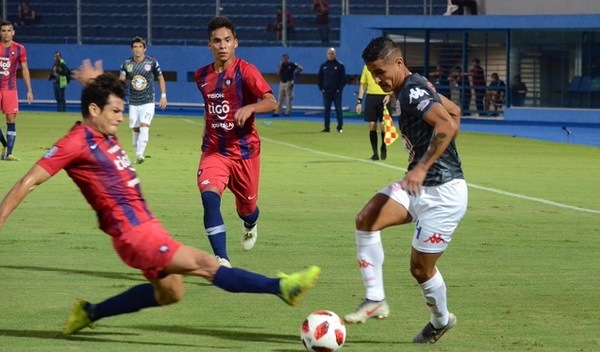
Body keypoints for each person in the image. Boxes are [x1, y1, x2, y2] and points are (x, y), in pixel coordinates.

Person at [0, 59, 321, 336]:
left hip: (147, 227)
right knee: (206, 265)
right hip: (133, 235)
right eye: (114, 111)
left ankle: (89, 313)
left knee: (170, 293)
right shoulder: (76, 142)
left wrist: (94, 83)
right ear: (94, 110)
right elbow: (28, 181)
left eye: (121, 111)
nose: (120, 118)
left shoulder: (101, 131)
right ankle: (282, 288)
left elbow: (100, 104)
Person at [344, 37, 468, 345]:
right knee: (367, 219)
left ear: (398, 63)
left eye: (380, 72)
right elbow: (454, 113)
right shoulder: (414, 85)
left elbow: (446, 125)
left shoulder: (412, 90)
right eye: (372, 74)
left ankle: (440, 321)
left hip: (444, 194)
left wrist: (423, 166)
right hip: (417, 186)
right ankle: (375, 298)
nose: (377, 79)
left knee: (420, 270)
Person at [194, 16, 277, 267]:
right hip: (214, 151)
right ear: (209, 45)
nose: (222, 45)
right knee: (209, 196)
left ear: (235, 43)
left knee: (247, 209)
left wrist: (250, 107)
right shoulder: (201, 77)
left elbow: (272, 101)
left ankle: (250, 224)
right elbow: (211, 107)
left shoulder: (246, 71)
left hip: (244, 152)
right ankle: (222, 260)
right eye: (217, 41)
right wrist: (206, 129)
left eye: (227, 40)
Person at [119, 36, 167, 164]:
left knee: (144, 125)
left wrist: (163, 96)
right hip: (133, 102)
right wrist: (117, 93)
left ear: (144, 49)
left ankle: (140, 154)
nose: (138, 49)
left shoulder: (151, 62)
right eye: (135, 47)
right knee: (135, 129)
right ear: (131, 49)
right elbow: (121, 80)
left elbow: (161, 78)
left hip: (148, 101)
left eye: (140, 47)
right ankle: (137, 155)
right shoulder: (127, 64)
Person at [0, 21, 33, 161]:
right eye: (3, 30)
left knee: (11, 119)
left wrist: (29, 89)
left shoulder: (19, 49)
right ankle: (5, 145)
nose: (6, 33)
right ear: (0, 33)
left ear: (13, 32)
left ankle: (9, 153)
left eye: (9, 30)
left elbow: (25, 69)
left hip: (10, 89)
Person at [356, 64, 391, 160]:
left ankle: (384, 146)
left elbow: (393, 81)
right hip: (371, 97)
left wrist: (389, 94)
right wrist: (359, 101)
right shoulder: (366, 67)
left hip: (384, 97)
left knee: (384, 126)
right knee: (372, 125)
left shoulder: (385, 65)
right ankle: (375, 153)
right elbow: (363, 84)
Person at [317, 47, 346, 133]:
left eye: (332, 53)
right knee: (326, 110)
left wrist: (339, 89)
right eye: (329, 53)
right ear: (327, 55)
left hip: (336, 92)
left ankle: (340, 127)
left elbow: (343, 79)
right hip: (326, 92)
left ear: (335, 54)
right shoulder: (323, 66)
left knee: (338, 110)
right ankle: (327, 127)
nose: (330, 55)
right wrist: (322, 89)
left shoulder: (340, 65)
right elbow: (319, 78)